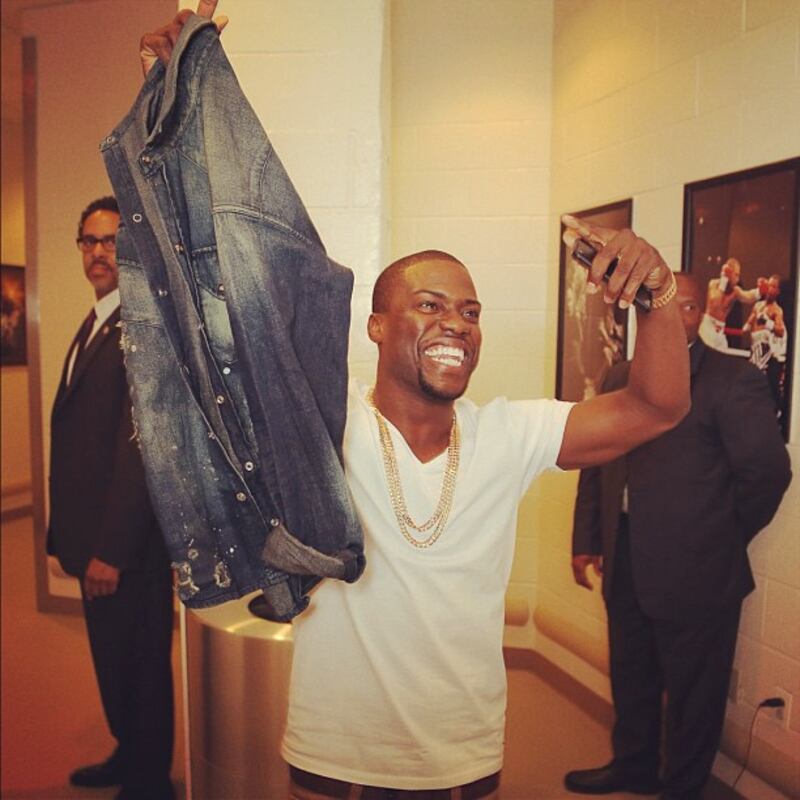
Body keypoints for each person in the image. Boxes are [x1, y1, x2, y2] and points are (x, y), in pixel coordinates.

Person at [140, 4, 691, 798]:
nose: (456, 324)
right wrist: (174, 111)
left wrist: (659, 295)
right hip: (333, 754)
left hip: (460, 759)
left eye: (470, 312)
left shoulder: (508, 434)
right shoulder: (322, 427)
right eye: (429, 305)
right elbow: (210, 304)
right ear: (376, 325)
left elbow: (656, 408)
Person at [565, 273, 791, 800]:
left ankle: (682, 788)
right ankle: (634, 767)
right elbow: (596, 460)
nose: (665, 316)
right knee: (631, 675)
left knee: (694, 695)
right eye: (652, 306)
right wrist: (586, 537)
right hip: (625, 557)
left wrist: (720, 535)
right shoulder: (619, 375)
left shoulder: (732, 379)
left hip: (701, 571)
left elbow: (767, 474)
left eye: (681, 307)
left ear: (698, 313)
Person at [46, 196, 175, 800]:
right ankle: (129, 754)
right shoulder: (98, 319)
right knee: (114, 660)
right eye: (90, 240)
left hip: (127, 548)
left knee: (141, 666)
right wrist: (65, 537)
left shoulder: (143, 326)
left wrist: (113, 551)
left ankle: (150, 782)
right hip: (94, 538)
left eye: (113, 240)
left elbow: (140, 449)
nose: (100, 252)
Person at [743, 274, 787, 414]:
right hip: (754, 346)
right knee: (751, 380)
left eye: (773, 286)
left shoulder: (776, 310)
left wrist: (767, 323)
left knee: (755, 379)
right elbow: (748, 324)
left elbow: (780, 331)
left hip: (765, 349)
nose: (769, 288)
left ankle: (776, 410)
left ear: (778, 291)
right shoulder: (757, 305)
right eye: (769, 284)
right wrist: (746, 327)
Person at [699, 257, 760, 352]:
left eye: (738, 275)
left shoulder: (736, 291)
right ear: (728, 272)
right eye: (736, 274)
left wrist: (759, 292)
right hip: (707, 328)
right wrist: (724, 279)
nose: (738, 279)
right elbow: (716, 302)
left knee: (723, 357)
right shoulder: (713, 284)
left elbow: (748, 297)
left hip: (720, 332)